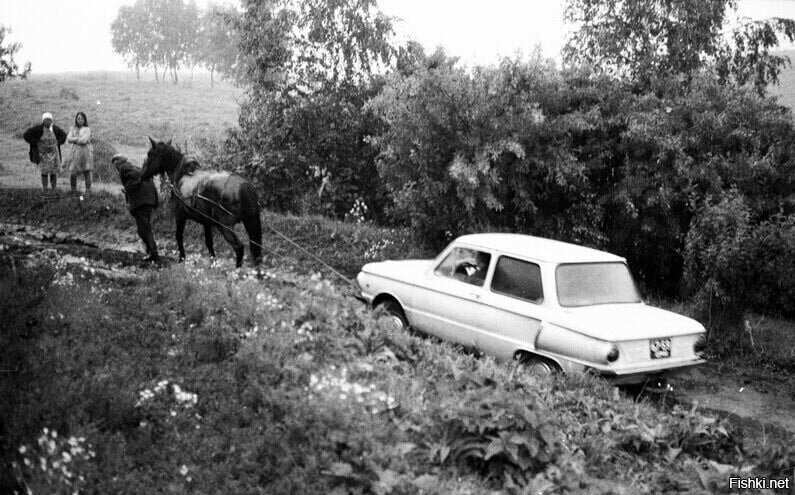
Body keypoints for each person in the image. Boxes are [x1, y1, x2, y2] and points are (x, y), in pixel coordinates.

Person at [112, 154, 160, 263]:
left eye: (115, 164)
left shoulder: (124, 168)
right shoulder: (135, 167)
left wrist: (127, 189)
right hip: (149, 200)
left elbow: (135, 179)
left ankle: (154, 254)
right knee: (144, 229)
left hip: (141, 202)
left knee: (144, 229)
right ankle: (151, 252)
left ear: (117, 163)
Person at [23, 112, 67, 190]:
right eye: (46, 120)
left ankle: (54, 189)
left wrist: (58, 143)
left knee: (53, 172)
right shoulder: (38, 129)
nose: (48, 122)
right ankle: (45, 189)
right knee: (44, 172)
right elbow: (26, 135)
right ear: (43, 121)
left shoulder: (55, 129)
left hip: (54, 154)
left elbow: (64, 136)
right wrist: (35, 142)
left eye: (49, 120)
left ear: (52, 121)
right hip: (43, 154)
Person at [65, 111, 94, 193]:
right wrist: (78, 139)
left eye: (81, 118)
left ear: (84, 120)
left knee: (86, 171)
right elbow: (69, 139)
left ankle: (88, 191)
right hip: (74, 152)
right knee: (73, 172)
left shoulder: (87, 129)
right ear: (76, 119)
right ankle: (73, 190)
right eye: (78, 118)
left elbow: (84, 141)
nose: (80, 120)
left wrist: (74, 139)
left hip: (85, 152)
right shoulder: (73, 128)